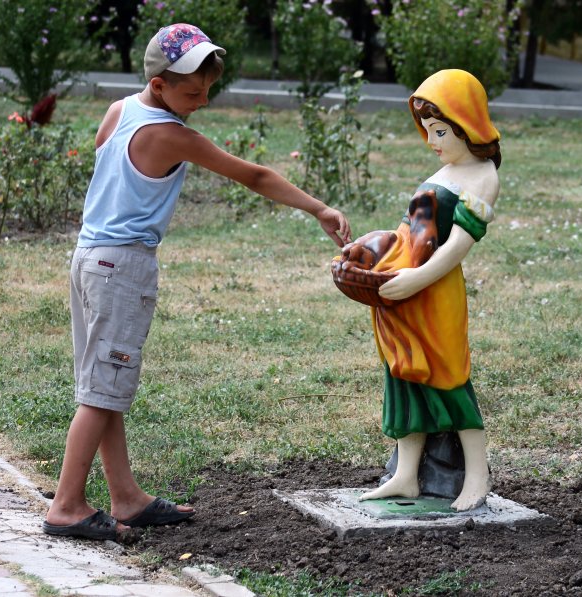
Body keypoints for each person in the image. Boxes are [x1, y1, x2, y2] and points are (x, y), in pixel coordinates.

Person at [43, 23, 351, 541]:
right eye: (192, 91)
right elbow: (253, 176)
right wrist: (318, 207)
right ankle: (67, 505)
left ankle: (126, 497)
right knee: (101, 392)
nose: (203, 100)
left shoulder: (121, 110)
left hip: (89, 257)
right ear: (160, 85)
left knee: (105, 385)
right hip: (122, 266)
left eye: (208, 89)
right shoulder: (171, 135)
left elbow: (105, 164)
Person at [357, 69, 500, 511]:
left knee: (448, 377)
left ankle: (477, 476)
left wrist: (417, 278)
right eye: (427, 130)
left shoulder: (481, 176)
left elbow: (458, 246)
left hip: (434, 292)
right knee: (404, 376)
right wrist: (368, 254)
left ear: (467, 123)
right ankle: (406, 475)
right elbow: (410, 231)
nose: (432, 140)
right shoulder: (445, 169)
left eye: (440, 130)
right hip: (401, 290)